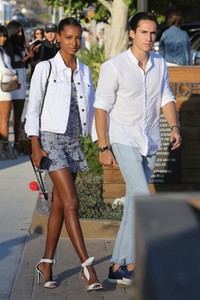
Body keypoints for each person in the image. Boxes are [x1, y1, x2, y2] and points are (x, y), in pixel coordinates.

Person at [93, 12, 182, 285]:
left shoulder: (159, 63)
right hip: (123, 138)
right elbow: (101, 108)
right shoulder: (114, 66)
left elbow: (166, 96)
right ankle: (133, 262)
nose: (149, 38)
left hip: (150, 140)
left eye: (153, 33)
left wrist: (175, 126)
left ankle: (116, 265)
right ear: (132, 33)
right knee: (142, 196)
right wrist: (104, 146)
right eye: (144, 32)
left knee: (134, 200)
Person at [25, 17, 103, 291]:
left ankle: (45, 263)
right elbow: (33, 108)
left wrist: (102, 145)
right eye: (68, 37)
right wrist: (35, 145)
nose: (74, 43)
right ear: (58, 37)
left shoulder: (84, 71)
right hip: (51, 140)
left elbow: (91, 111)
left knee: (59, 204)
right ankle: (87, 268)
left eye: (78, 38)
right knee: (71, 202)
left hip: (73, 144)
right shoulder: (46, 68)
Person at [6, 20, 34, 154]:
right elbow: (11, 65)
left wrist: (29, 57)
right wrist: (26, 58)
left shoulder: (21, 45)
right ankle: (13, 142)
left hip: (21, 80)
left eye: (21, 31)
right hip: (13, 82)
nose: (20, 33)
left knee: (18, 113)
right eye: (17, 31)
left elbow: (23, 64)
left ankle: (17, 141)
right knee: (11, 115)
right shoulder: (8, 46)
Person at [0, 25, 18, 159]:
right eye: (1, 36)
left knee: (3, 119)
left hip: (5, 87)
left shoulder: (3, 51)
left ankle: (4, 148)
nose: (3, 38)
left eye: (5, 36)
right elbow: (4, 70)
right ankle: (5, 148)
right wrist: (14, 73)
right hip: (3, 89)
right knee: (5, 119)